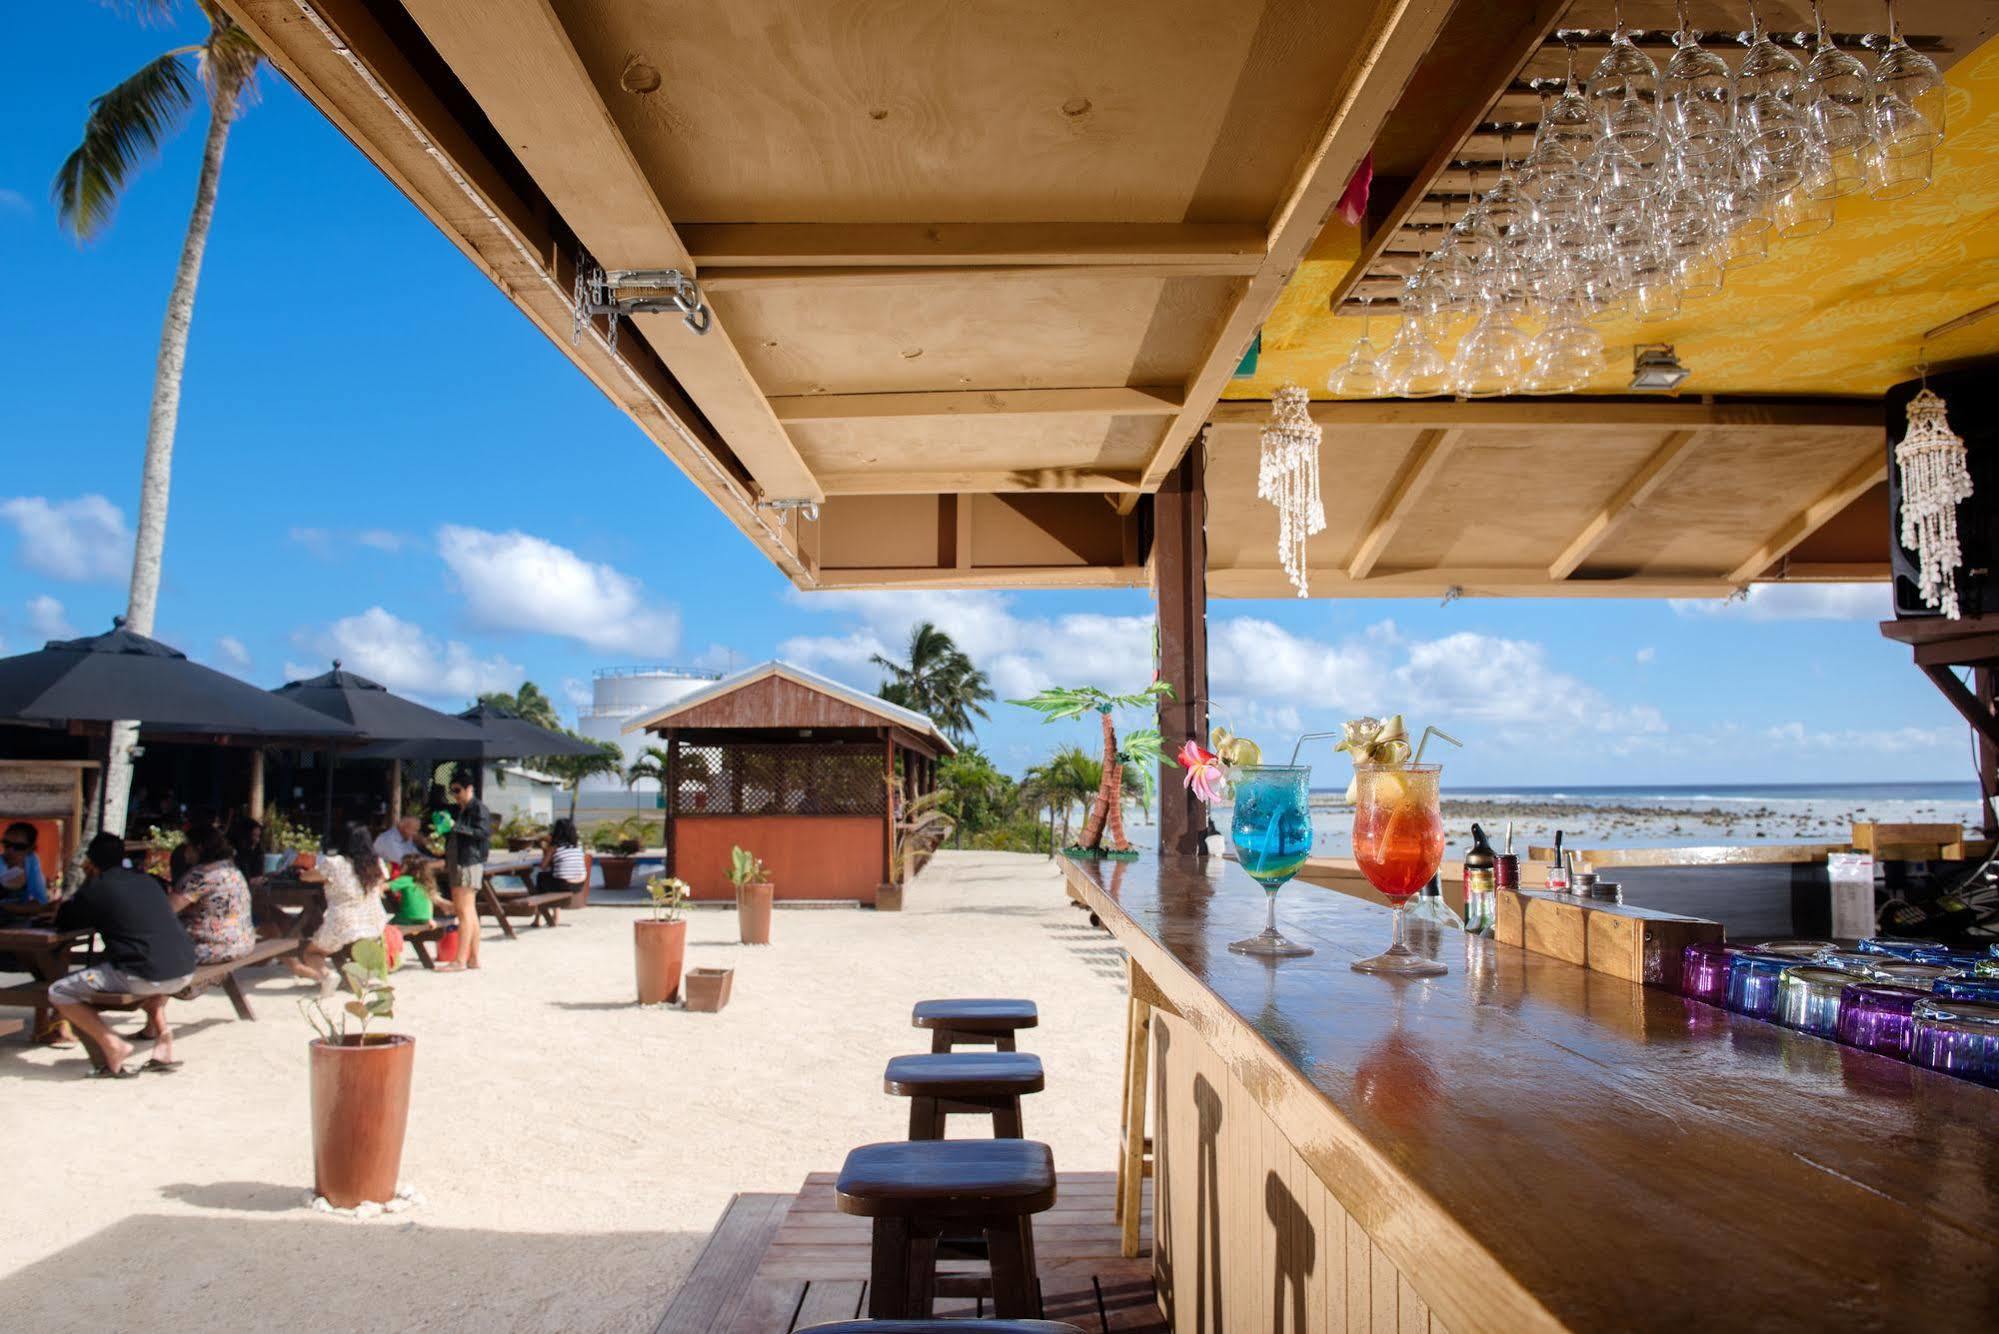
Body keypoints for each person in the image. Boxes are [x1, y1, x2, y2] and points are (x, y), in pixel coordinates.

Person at [50, 833, 198, 1076]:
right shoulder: (147, 881)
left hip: (143, 975)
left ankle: (113, 1044)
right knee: (148, 974)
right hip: (183, 968)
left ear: (90, 861)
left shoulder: (96, 888)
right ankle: (163, 1039)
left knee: (58, 991)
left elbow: (64, 921)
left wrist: (87, 881)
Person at [289, 824, 391, 992]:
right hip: (374, 921)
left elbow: (307, 877)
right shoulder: (376, 864)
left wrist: (302, 871)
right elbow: (380, 886)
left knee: (311, 952)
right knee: (345, 940)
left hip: (344, 922)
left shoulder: (335, 863)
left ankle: (326, 975)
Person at [169, 825, 255, 966]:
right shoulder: (230, 869)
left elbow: (165, 911)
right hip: (242, 943)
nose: (185, 851)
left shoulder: (200, 876)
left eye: (188, 845)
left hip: (210, 948)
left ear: (199, 847)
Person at [444, 770, 490, 972]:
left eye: (457, 790)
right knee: (470, 912)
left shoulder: (478, 808)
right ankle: (472, 958)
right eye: (452, 791)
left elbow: (483, 833)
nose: (455, 795)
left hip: (468, 862)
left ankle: (460, 960)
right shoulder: (463, 809)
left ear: (469, 788)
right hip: (463, 861)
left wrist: (457, 827)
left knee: (464, 912)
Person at [1, 822, 50, 918]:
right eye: (7, 844)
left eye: (19, 847)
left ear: (30, 849)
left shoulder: (31, 861)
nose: (10, 850)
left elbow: (40, 900)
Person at [537, 817, 588, 898]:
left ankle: (541, 905)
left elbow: (543, 866)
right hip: (580, 884)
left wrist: (544, 848)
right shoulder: (578, 846)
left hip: (563, 884)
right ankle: (555, 908)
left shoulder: (554, 847)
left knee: (541, 876)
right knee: (554, 875)